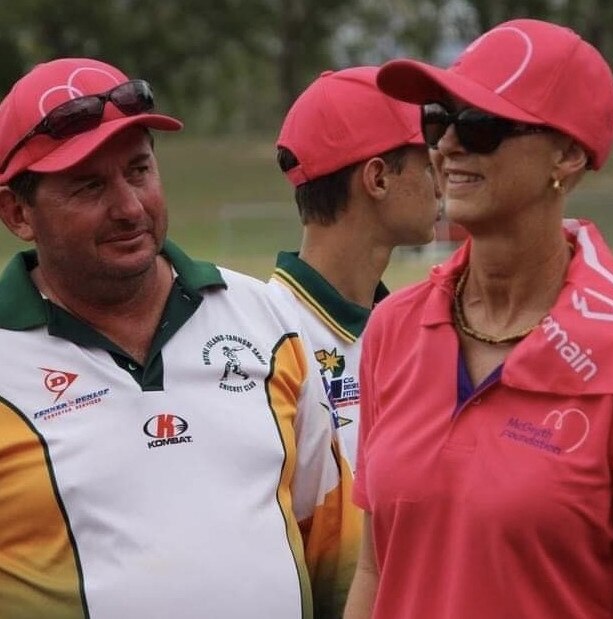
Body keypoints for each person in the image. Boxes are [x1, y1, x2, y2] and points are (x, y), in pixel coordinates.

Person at [0, 57, 357, 619]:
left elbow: (338, 544)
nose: (128, 207)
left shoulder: (263, 319)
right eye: (89, 187)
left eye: (139, 170)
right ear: (18, 212)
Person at [344, 18, 613, 619]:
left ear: (568, 155)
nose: (447, 145)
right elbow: (375, 567)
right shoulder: (393, 327)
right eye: (438, 120)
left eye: (481, 124)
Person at [268, 66, 439, 470]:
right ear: (377, 179)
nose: (440, 184)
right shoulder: (267, 340)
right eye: (427, 166)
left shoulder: (408, 327)